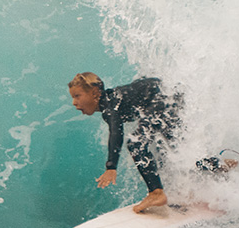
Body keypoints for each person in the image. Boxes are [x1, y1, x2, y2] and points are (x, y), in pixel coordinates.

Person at [68, 71, 183, 213]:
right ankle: (212, 166)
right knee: (175, 151)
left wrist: (111, 166)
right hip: (169, 97)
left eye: (77, 96)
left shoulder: (109, 106)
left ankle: (156, 193)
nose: (74, 102)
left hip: (162, 99)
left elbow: (116, 132)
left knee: (135, 144)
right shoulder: (112, 100)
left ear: (94, 92)